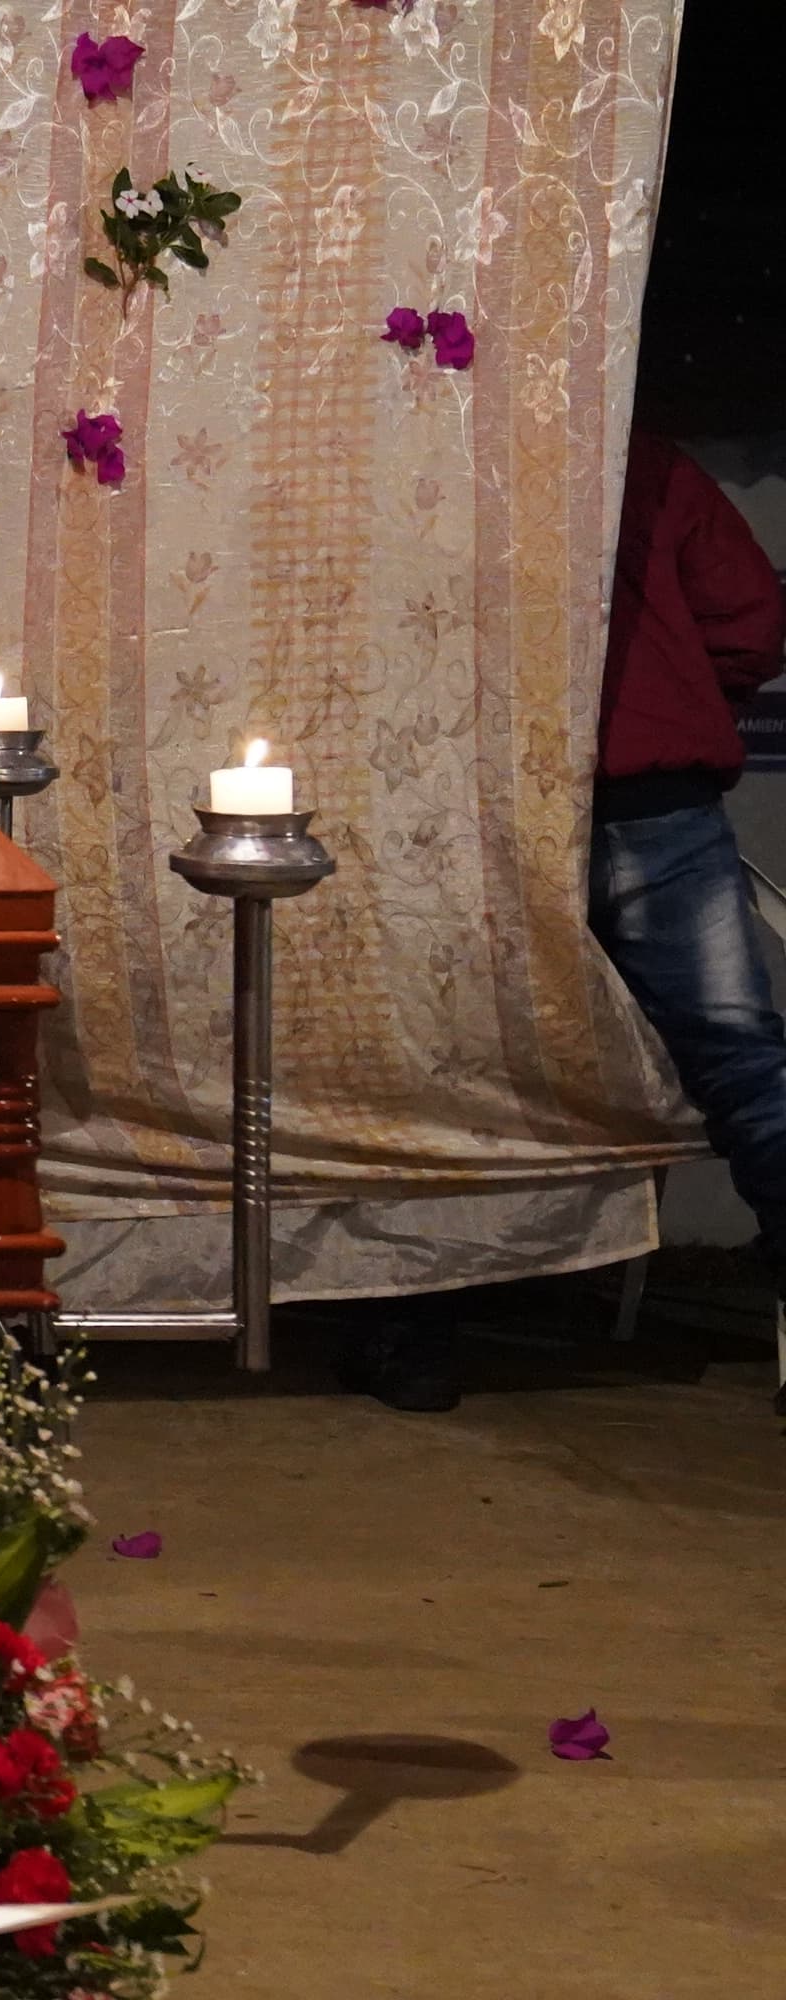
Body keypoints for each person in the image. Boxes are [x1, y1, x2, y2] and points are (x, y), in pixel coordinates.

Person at [355, 430, 786, 1413]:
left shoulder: (436, 465)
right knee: (736, 1056)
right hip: (648, 794)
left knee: (455, 1062)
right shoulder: (640, 459)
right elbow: (748, 627)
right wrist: (661, 705)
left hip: (476, 800)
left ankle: (413, 1329)